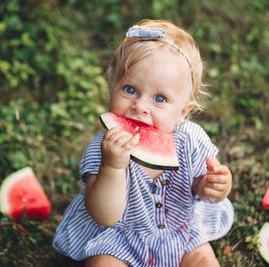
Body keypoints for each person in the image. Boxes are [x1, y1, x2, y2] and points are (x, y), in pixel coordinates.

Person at [53, 19, 234, 267]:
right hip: (118, 241)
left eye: (159, 98)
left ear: (183, 111)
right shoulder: (104, 147)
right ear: (111, 86)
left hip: (179, 234)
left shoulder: (191, 140)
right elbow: (104, 216)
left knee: (203, 259)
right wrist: (112, 167)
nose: (140, 106)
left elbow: (201, 188)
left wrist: (212, 186)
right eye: (129, 89)